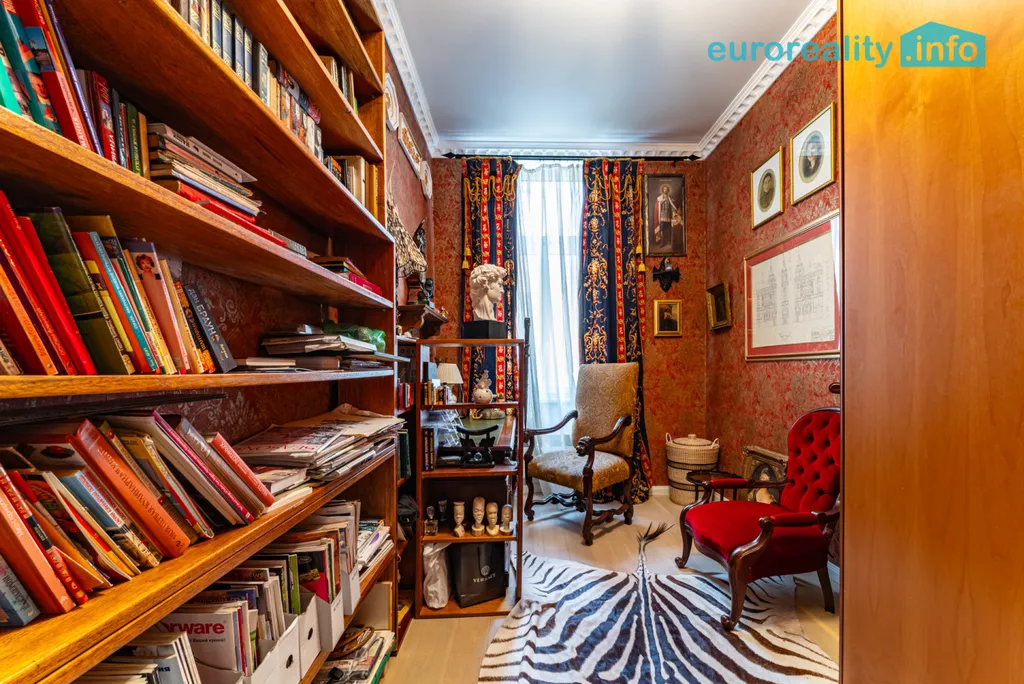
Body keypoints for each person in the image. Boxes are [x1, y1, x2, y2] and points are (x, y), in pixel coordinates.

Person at [655, 184, 679, 249]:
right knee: (662, 229)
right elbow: (657, 208)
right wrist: (660, 203)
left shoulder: (670, 198)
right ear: (662, 190)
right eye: (664, 189)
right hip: (662, 216)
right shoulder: (659, 198)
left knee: (668, 229)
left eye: (666, 189)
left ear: (668, 190)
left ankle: (669, 242)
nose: (665, 190)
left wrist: (674, 212)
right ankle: (662, 242)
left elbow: (672, 207)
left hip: (669, 216)